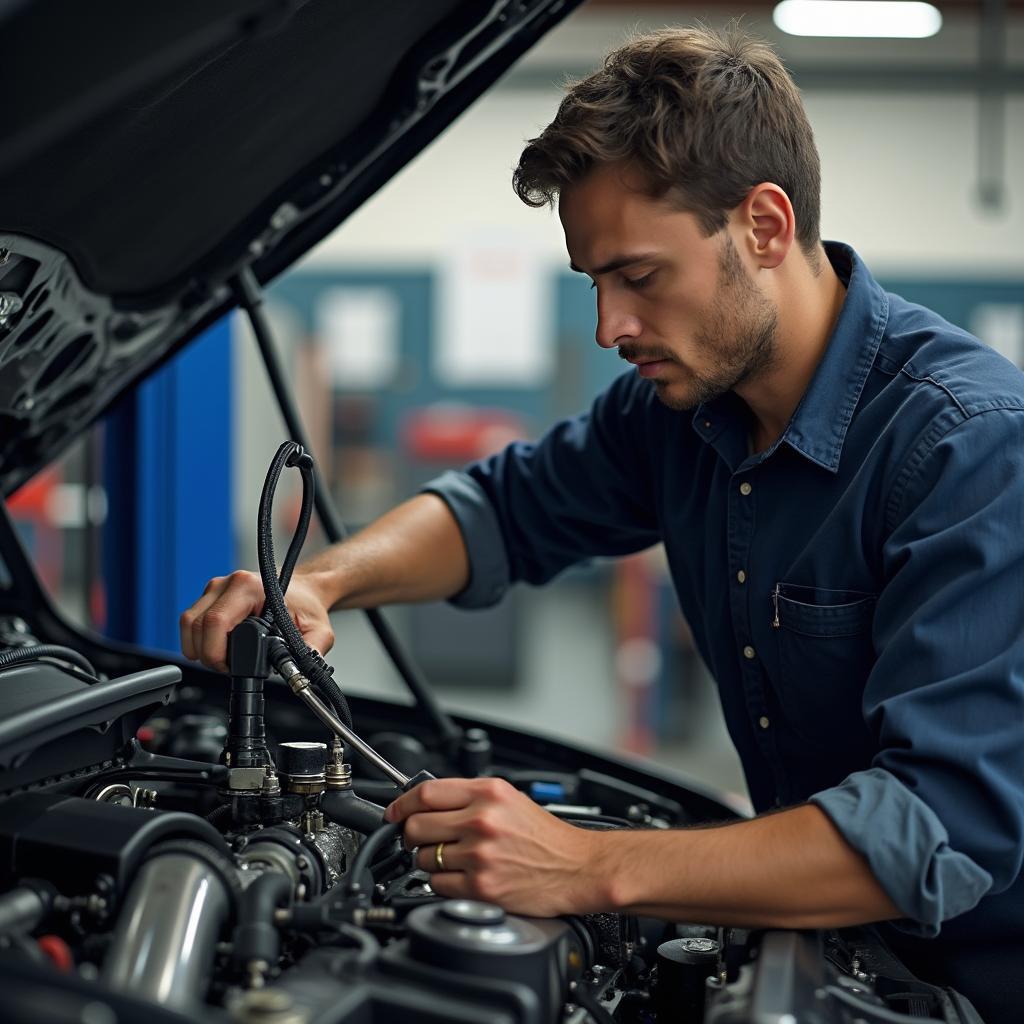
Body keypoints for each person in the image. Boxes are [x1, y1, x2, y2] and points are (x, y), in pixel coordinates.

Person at [181, 25, 1024, 1020]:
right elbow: (499, 510)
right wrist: (320, 583)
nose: (607, 328)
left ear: (762, 224)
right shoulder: (680, 410)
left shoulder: (967, 449)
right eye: (593, 283)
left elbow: (940, 826)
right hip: (830, 937)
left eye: (637, 276)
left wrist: (588, 864)